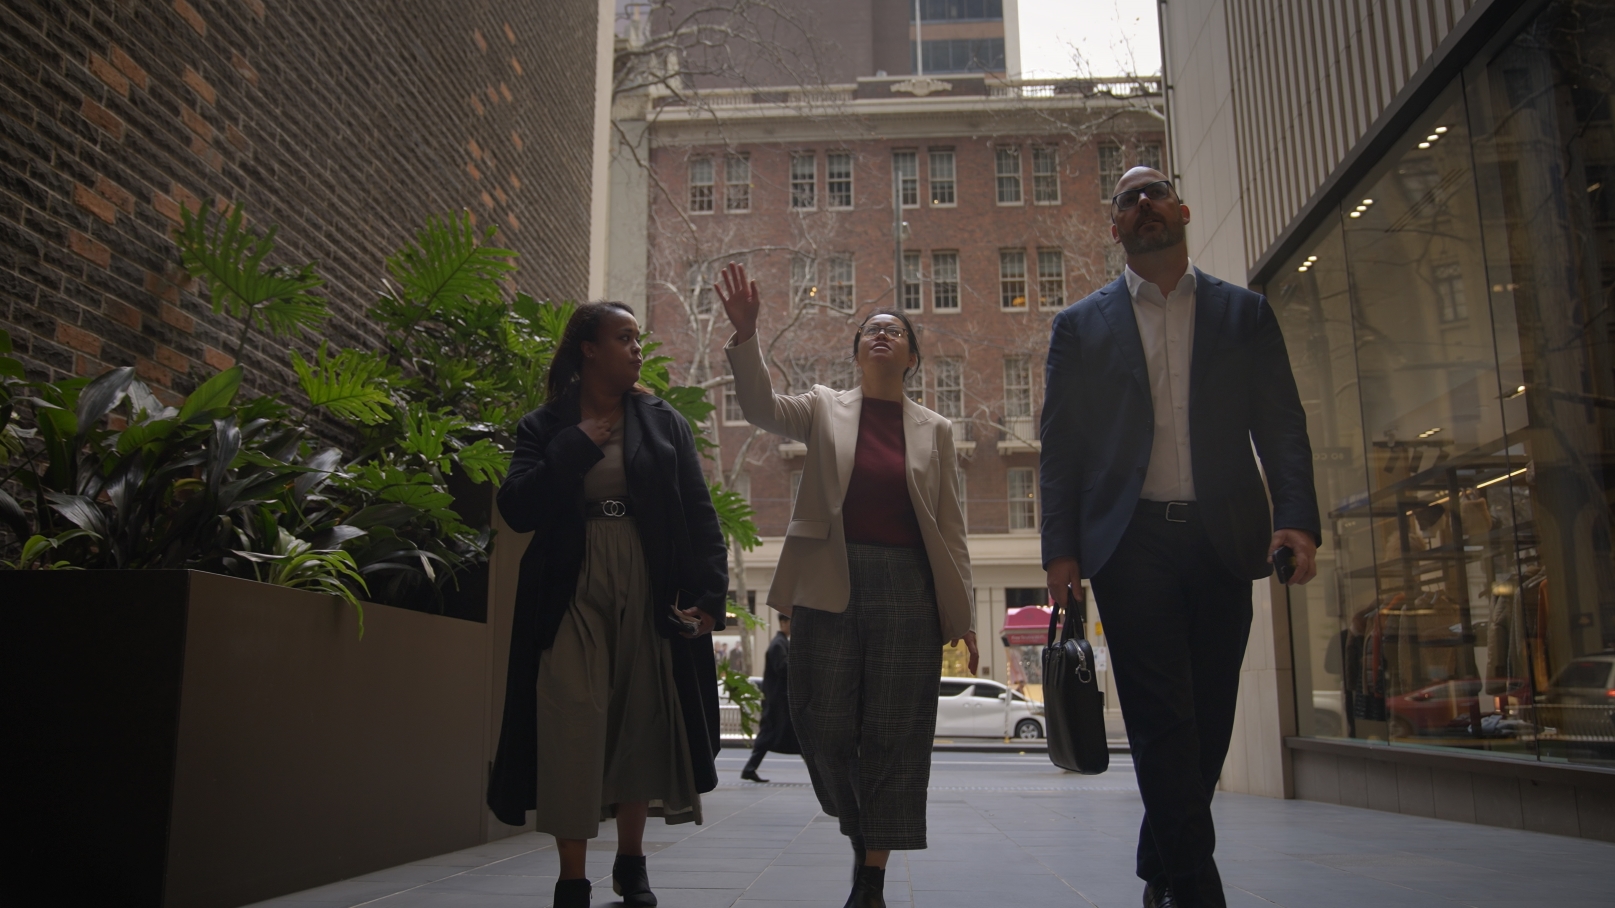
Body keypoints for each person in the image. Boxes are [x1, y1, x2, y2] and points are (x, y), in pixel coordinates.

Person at [1039, 168, 1320, 908]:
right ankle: (1194, 885)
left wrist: (1295, 517)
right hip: (1128, 544)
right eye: (1126, 201)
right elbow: (1060, 446)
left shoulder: (1243, 314)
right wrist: (1059, 552)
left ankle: (1163, 863)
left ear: (1182, 210)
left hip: (1224, 537)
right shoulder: (1079, 326)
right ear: (1115, 229)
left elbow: (1281, 425)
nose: (1142, 206)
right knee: (1159, 715)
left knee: (1210, 714)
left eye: (1154, 192)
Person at [716, 262, 977, 908]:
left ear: (912, 356)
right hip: (829, 582)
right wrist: (746, 335)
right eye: (870, 330)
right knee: (819, 722)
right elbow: (758, 407)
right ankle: (864, 828)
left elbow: (951, 527)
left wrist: (962, 614)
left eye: (894, 331)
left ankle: (871, 879)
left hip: (908, 588)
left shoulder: (935, 431)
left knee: (895, 729)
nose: (881, 335)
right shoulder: (824, 408)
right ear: (857, 352)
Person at [487, 301, 730, 908]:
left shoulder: (661, 420)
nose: (636, 348)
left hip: (648, 582)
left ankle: (631, 864)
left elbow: (699, 514)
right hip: (570, 581)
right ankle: (572, 877)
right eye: (623, 337)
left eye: (637, 338)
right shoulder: (545, 425)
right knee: (571, 714)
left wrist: (708, 597)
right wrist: (572, 447)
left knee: (639, 715)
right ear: (589, 348)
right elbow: (516, 507)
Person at [741, 613, 800, 782]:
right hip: (777, 701)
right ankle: (749, 768)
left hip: (778, 700)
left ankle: (749, 769)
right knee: (772, 735)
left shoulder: (781, 643)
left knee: (773, 735)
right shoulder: (778, 645)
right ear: (783, 622)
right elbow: (783, 668)